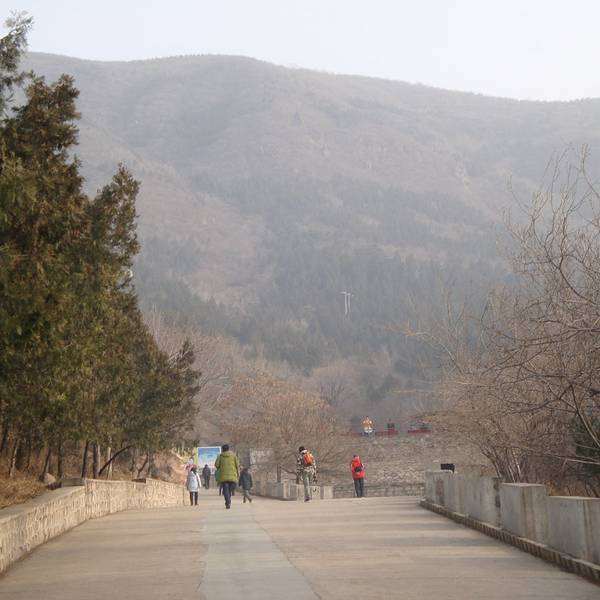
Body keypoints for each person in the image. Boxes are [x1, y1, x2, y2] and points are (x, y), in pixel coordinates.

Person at [214, 444, 239, 509]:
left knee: (226, 491)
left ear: (222, 449)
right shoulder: (234, 456)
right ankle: (228, 501)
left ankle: (228, 502)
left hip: (223, 477)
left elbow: (216, 465)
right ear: (228, 449)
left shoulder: (220, 456)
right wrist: (238, 475)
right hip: (233, 476)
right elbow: (237, 466)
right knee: (229, 490)